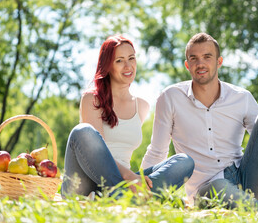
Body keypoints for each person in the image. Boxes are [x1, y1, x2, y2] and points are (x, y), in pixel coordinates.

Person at [141, 32, 258, 210]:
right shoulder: (170, 98)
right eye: (194, 58)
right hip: (205, 190)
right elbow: (157, 151)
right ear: (187, 65)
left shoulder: (241, 97)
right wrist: (140, 183)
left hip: (245, 179)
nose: (200, 63)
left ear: (219, 61)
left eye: (207, 57)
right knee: (219, 187)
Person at [61, 35, 194, 199]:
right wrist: (131, 178)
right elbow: (99, 154)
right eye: (119, 61)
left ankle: (119, 198)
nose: (128, 65)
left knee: (184, 161)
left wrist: (138, 179)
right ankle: (130, 197)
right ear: (108, 66)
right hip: (85, 183)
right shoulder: (91, 99)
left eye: (131, 58)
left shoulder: (142, 106)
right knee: (83, 132)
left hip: (117, 185)